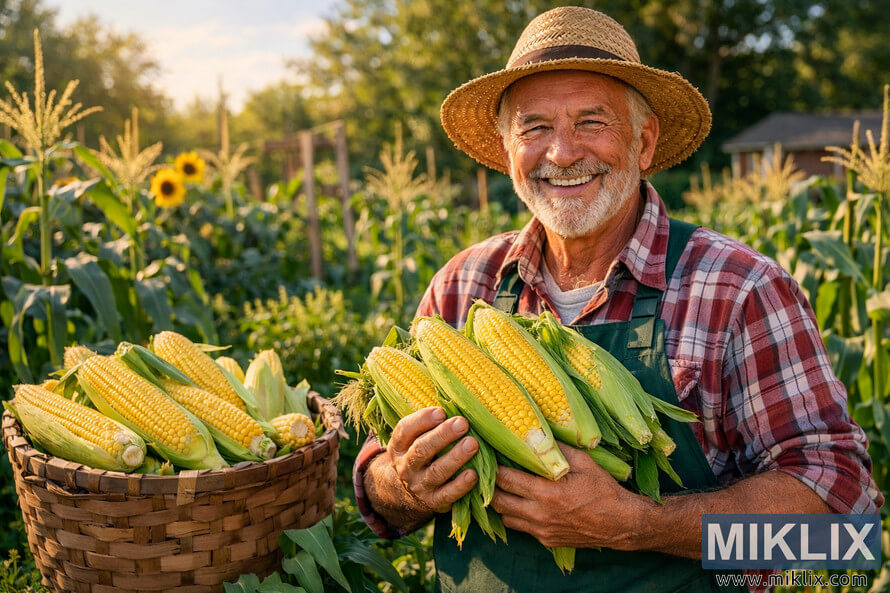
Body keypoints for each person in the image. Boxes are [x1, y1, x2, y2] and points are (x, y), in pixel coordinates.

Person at [352, 6, 883, 592]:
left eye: (591, 121)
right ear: (507, 150)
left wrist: (638, 525)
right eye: (534, 128)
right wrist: (402, 484)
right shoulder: (461, 285)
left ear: (645, 141)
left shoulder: (739, 290)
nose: (561, 153)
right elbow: (380, 496)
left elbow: (842, 530)